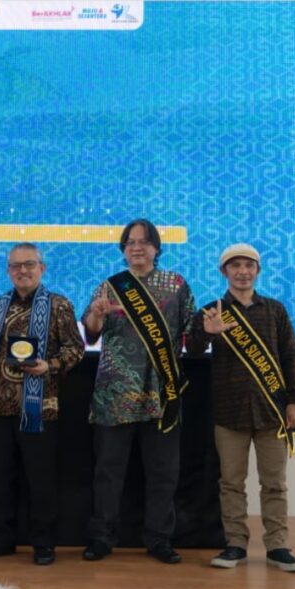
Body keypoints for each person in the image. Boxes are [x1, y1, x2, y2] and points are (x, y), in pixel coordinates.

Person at [189, 243, 295, 573]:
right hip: (229, 412)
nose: (242, 271)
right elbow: (193, 350)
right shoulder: (211, 311)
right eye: (235, 265)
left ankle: (278, 546)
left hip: (272, 412)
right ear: (223, 271)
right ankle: (235, 545)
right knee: (231, 483)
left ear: (257, 270)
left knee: (274, 484)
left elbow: (289, 357)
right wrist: (206, 334)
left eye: (248, 265)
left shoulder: (275, 310)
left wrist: (294, 401)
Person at [80, 219, 195, 565]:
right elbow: (91, 333)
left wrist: (208, 331)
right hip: (114, 394)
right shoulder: (111, 286)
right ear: (123, 249)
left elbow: (191, 333)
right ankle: (102, 537)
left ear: (156, 248)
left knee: (163, 472)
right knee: (108, 471)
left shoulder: (176, 285)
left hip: (161, 392)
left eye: (144, 242)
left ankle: (159, 539)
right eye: (130, 242)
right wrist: (96, 315)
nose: (137, 247)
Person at [0, 243, 85, 566]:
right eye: (16, 265)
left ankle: (43, 543)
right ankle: (1, 539)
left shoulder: (59, 305)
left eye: (29, 264)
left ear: (41, 268)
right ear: (8, 271)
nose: (23, 270)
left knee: (40, 479)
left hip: (39, 408)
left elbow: (75, 349)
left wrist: (51, 365)